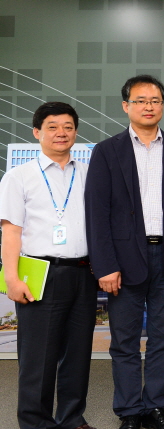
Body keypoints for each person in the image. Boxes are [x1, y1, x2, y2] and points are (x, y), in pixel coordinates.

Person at [85, 75, 164, 429]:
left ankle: (155, 407)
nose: (148, 107)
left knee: (163, 339)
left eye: (155, 100)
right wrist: (104, 265)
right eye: (140, 101)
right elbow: (97, 212)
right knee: (124, 342)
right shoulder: (107, 151)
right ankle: (128, 411)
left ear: (162, 105)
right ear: (126, 106)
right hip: (123, 263)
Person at [0, 102, 96, 429]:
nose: (61, 133)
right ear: (37, 132)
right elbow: (11, 232)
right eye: (52, 127)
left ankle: (71, 418)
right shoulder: (19, 176)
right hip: (40, 273)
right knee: (37, 357)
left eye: (68, 127)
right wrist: (12, 279)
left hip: (83, 273)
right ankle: (35, 422)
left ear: (76, 132)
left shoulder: (88, 174)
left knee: (78, 354)